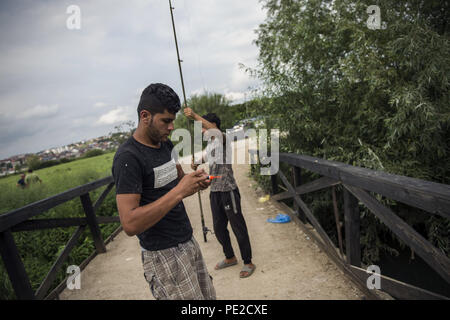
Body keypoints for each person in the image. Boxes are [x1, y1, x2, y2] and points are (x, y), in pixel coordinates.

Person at [112, 83, 216, 300]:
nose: (171, 127)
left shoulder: (165, 145)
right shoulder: (128, 158)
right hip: (163, 256)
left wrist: (195, 182)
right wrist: (179, 191)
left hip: (187, 241)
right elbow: (129, 223)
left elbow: (179, 181)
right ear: (145, 116)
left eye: (173, 121)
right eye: (166, 121)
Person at [184, 107, 256, 278]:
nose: (202, 131)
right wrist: (197, 163)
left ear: (212, 126)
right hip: (215, 190)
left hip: (228, 190)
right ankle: (230, 257)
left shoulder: (224, 138)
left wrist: (194, 115)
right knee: (218, 227)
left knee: (238, 227)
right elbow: (208, 157)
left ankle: (248, 262)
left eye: (203, 127)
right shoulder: (211, 144)